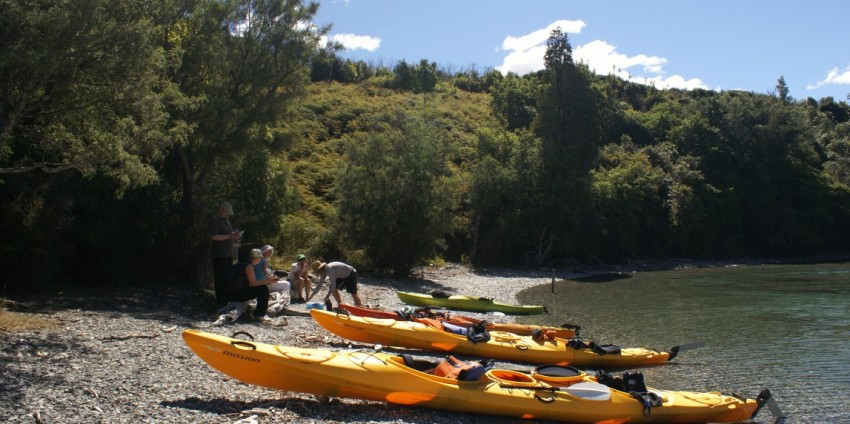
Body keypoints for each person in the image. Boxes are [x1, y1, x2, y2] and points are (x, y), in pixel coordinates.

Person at [229, 248, 278, 322]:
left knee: (262, 287)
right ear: (258, 258)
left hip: (236, 292)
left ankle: (260, 313)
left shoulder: (248, 264)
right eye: (260, 257)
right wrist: (266, 281)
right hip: (238, 294)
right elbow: (253, 283)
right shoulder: (249, 267)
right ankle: (260, 314)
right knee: (263, 289)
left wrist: (268, 280)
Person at [210, 201, 241, 307]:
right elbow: (214, 237)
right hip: (219, 254)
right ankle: (220, 301)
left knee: (228, 277)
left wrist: (235, 236)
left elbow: (229, 235)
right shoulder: (215, 220)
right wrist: (229, 236)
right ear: (221, 209)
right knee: (220, 278)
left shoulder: (226, 220)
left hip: (228, 253)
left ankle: (227, 299)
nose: (228, 214)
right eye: (226, 212)